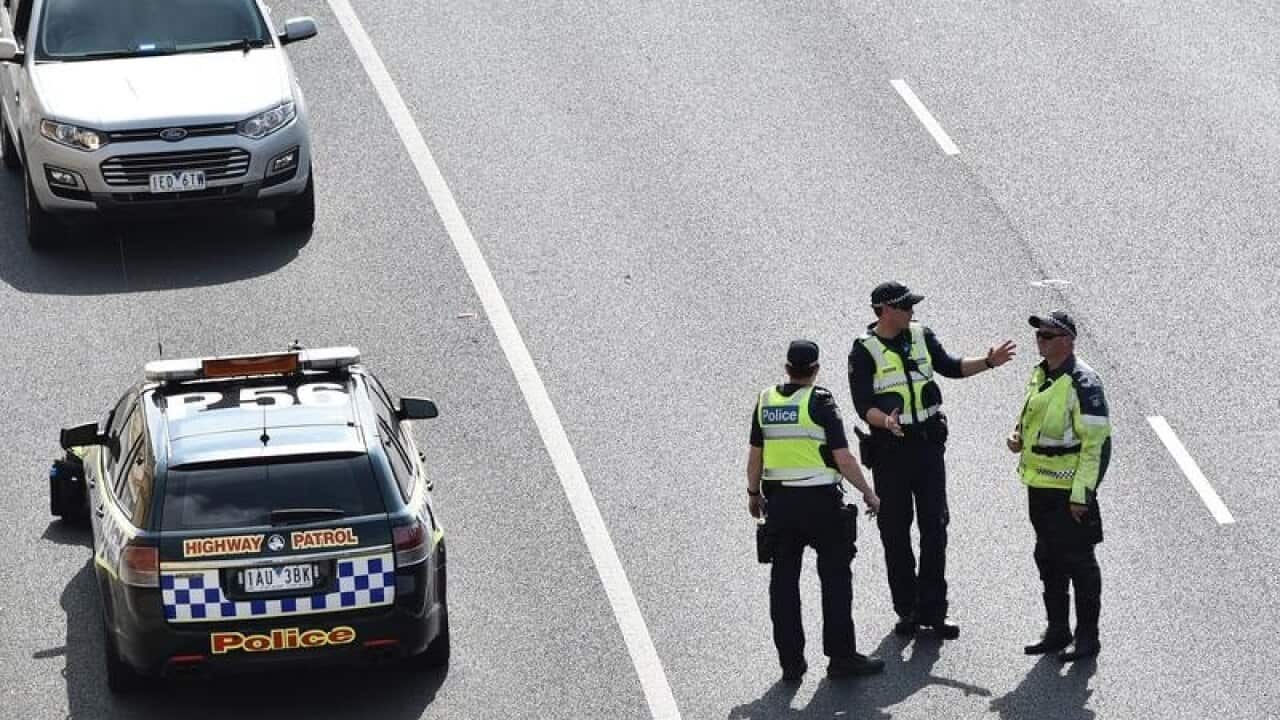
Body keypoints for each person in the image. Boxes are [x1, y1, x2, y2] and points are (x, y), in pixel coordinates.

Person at [847, 281, 1016, 639]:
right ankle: (907, 609)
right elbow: (863, 405)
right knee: (895, 531)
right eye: (905, 307)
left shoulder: (922, 336)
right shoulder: (864, 350)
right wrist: (885, 421)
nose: (912, 312)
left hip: (927, 447)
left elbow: (950, 367)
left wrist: (988, 362)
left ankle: (934, 611)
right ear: (886, 310)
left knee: (935, 527)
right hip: (891, 451)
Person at [747, 340, 884, 683]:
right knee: (836, 581)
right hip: (821, 505)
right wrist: (868, 492)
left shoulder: (766, 401)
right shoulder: (820, 401)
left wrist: (753, 493)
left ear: (787, 368)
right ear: (816, 369)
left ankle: (791, 664)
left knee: (783, 585)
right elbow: (843, 458)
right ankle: (841, 658)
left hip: (780, 506)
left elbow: (755, 456)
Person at [1006, 311, 1110, 662]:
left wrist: (1083, 495)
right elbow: (1033, 416)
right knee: (1048, 558)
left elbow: (1097, 445)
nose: (1041, 340)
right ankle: (1057, 630)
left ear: (1068, 340)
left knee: (1079, 563)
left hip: (1070, 494)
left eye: (1048, 335)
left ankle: (1087, 638)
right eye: (1039, 335)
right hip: (1039, 487)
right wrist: (1018, 434)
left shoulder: (1084, 382)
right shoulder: (1041, 374)